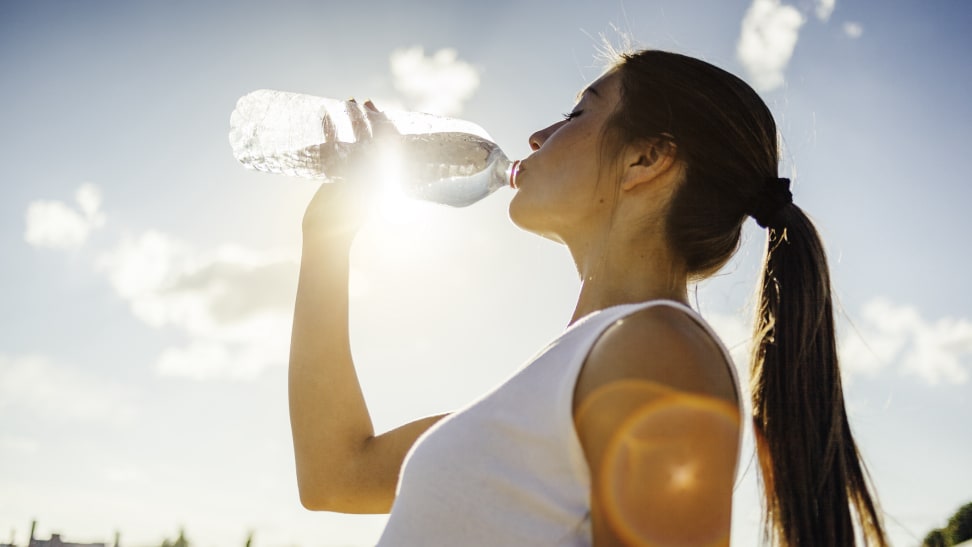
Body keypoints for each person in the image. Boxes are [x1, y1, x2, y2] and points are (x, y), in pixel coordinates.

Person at [288, 49, 889, 546]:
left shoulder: (658, 352)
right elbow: (336, 475)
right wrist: (327, 236)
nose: (537, 136)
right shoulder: (582, 368)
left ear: (645, 159)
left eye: (576, 115)